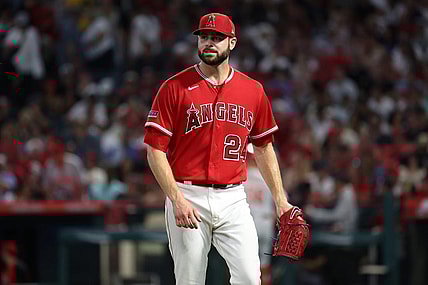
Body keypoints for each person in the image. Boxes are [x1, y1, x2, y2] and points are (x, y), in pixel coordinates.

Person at [144, 13, 294, 285]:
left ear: (232, 43)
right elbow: (155, 151)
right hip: (188, 193)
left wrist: (281, 200)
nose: (209, 43)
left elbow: (263, 147)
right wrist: (176, 198)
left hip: (234, 197)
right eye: (204, 37)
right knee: (190, 280)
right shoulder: (174, 87)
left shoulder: (253, 90)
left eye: (217, 37)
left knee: (250, 278)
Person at [244, 144, 275, 285]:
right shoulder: (268, 175)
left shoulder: (242, 176)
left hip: (248, 224)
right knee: (265, 265)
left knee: (244, 265)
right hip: (266, 222)